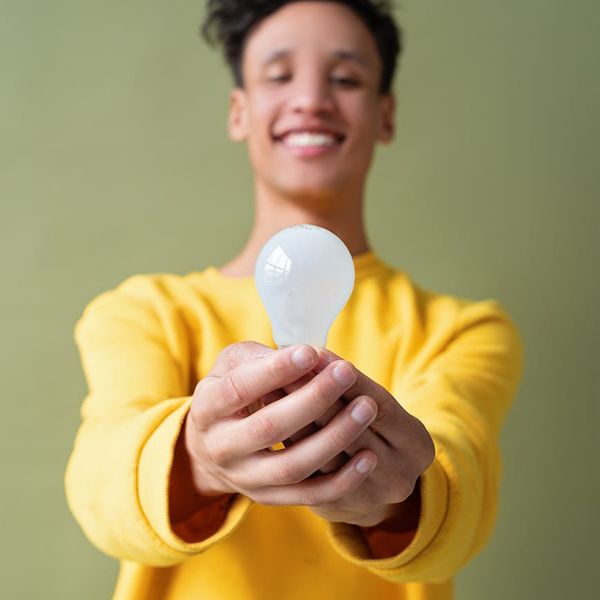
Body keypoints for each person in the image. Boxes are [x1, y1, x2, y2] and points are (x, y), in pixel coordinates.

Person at [64, 1, 524, 599]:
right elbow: (100, 481)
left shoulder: (463, 330)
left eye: (346, 78)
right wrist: (198, 459)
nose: (310, 100)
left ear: (385, 115)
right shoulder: (143, 313)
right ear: (239, 111)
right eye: (279, 75)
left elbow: (466, 485)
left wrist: (398, 494)